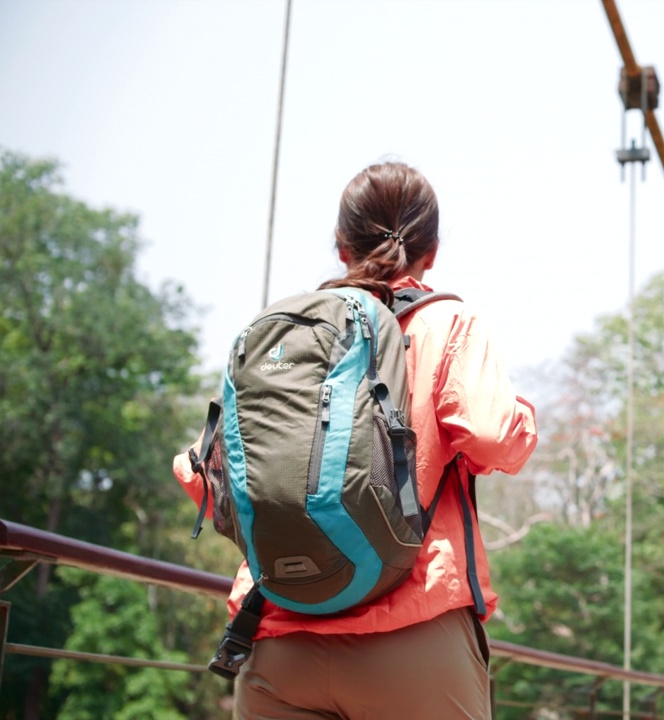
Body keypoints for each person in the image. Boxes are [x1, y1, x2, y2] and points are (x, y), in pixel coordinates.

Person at [172, 161, 538, 719]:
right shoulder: (448, 324)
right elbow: (492, 438)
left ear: (341, 246)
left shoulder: (284, 332)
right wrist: (522, 418)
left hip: (276, 639)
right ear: (432, 251)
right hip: (411, 639)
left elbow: (206, 474)